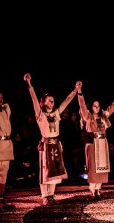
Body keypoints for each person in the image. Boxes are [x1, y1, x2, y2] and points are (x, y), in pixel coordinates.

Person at [23, 73, 78, 205]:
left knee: (55, 170)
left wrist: (75, 91)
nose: (52, 102)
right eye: (49, 100)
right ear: (44, 101)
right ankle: (45, 196)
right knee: (45, 170)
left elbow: (66, 101)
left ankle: (51, 195)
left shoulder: (56, 113)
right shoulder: (40, 114)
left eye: (53, 100)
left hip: (56, 143)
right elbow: (34, 100)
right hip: (46, 144)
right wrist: (29, 84)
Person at [77, 83, 114, 199]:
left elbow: (113, 106)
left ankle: (98, 188)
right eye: (94, 106)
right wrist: (79, 92)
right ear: (91, 107)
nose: (96, 108)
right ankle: (92, 187)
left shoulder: (104, 116)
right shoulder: (88, 116)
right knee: (93, 167)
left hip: (102, 143)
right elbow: (82, 105)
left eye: (98, 106)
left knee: (102, 167)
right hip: (92, 144)